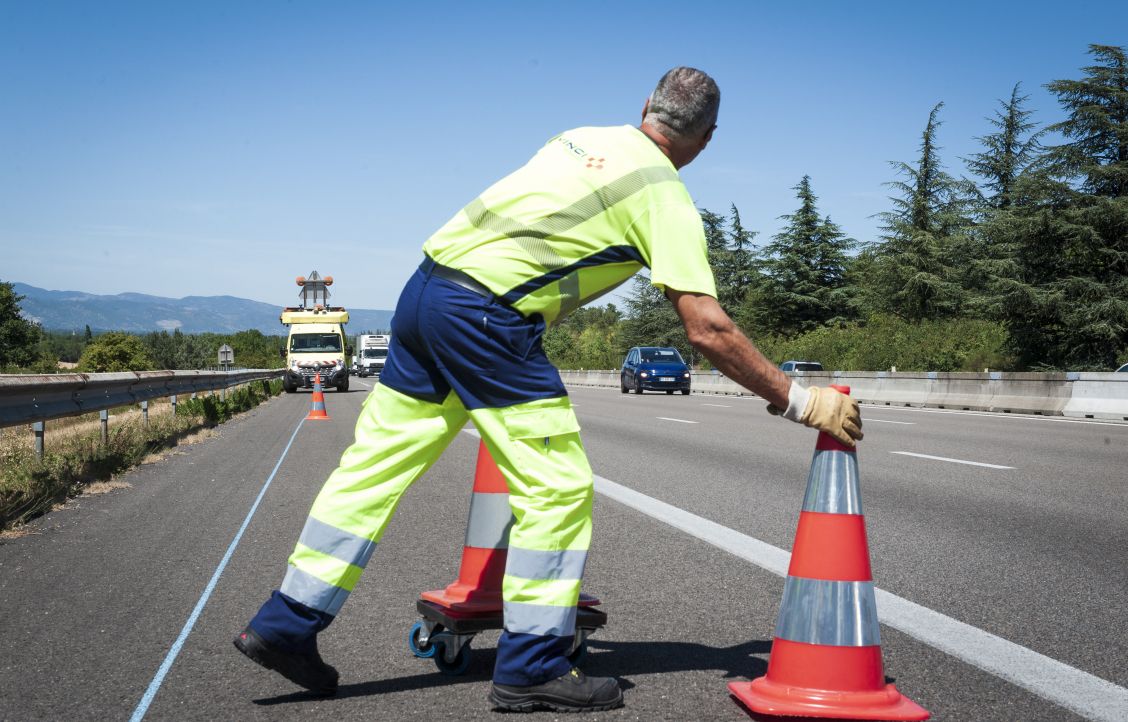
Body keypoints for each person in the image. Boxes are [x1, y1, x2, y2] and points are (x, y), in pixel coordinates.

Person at [234, 66, 863, 713]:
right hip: (487, 317)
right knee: (557, 487)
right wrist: (800, 399)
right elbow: (707, 327)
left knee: (374, 466)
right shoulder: (663, 194)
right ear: (706, 138)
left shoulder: (582, 138)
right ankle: (532, 666)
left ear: (646, 106)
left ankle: (285, 624)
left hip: (423, 292)